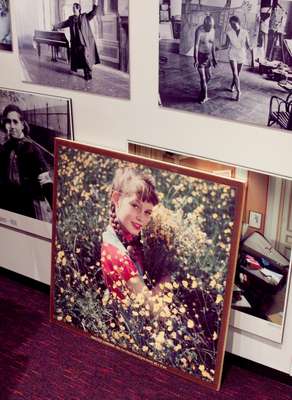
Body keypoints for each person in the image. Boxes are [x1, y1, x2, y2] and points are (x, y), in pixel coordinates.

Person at [101, 167, 165, 315]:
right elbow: (153, 310)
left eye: (147, 212)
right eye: (135, 205)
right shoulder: (116, 255)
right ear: (117, 199)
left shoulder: (126, 237)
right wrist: (168, 278)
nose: (141, 218)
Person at [0, 104, 53, 220]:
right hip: (7, 202)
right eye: (8, 122)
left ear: (22, 125)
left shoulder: (32, 149)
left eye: (15, 122)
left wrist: (56, 207)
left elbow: (45, 181)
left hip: (27, 204)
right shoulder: (4, 149)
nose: (12, 126)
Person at [53, 0, 100, 81]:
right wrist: (55, 26)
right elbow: (64, 24)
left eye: (75, 8)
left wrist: (95, 4)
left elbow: (93, 13)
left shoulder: (85, 17)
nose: (73, 9)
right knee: (81, 58)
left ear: (79, 9)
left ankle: (88, 73)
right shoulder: (71, 19)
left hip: (85, 42)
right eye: (73, 8)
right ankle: (86, 72)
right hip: (76, 43)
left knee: (86, 58)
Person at [221, 16, 252, 101]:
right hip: (233, 54)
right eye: (231, 24)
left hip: (242, 54)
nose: (232, 26)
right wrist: (217, 48)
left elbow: (248, 45)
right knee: (235, 73)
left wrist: (251, 50)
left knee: (237, 74)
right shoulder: (229, 33)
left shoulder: (245, 32)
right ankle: (239, 92)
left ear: (238, 23)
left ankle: (232, 85)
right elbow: (226, 46)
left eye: (234, 24)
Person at [194, 15, 217, 104]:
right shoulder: (199, 30)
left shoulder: (213, 30)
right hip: (200, 56)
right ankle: (205, 96)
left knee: (209, 77)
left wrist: (214, 58)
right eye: (208, 27)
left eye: (211, 27)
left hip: (208, 57)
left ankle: (203, 89)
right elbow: (196, 45)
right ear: (204, 24)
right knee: (203, 79)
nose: (210, 29)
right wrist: (195, 59)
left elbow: (213, 45)